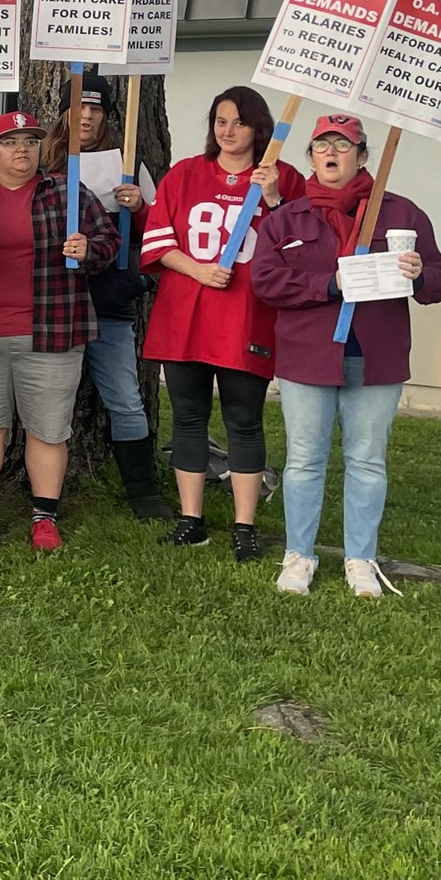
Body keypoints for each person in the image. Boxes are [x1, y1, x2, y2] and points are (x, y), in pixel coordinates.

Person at [252, 115, 441, 597]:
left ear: (363, 157)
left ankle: (361, 558)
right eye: (322, 145)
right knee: (304, 461)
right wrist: (328, 283)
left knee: (367, 462)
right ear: (311, 157)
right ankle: (299, 554)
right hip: (308, 355)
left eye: (344, 145)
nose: (332, 153)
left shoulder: (400, 214)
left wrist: (421, 274)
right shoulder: (287, 218)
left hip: (376, 354)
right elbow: (265, 281)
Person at [139, 85, 306, 560]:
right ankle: (192, 519)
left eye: (239, 122)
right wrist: (197, 269)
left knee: (243, 421)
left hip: (246, 317)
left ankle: (244, 525)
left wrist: (273, 198)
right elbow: (157, 240)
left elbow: (301, 246)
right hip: (186, 313)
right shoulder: (185, 174)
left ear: (259, 128)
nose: (228, 132)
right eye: (220, 121)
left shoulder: (284, 178)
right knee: (188, 418)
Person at [0, 110, 119, 551]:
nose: (21, 149)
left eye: (30, 141)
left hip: (51, 329)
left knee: (48, 428)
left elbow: (108, 242)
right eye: (9, 141)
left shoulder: (65, 192)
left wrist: (87, 250)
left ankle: (45, 516)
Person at [38, 74, 168, 519]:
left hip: (107, 303)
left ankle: (145, 495)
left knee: (126, 401)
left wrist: (140, 208)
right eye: (80, 108)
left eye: (96, 110)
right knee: (44, 402)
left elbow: (159, 238)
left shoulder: (127, 164)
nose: (87, 117)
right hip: (52, 305)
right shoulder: (40, 161)